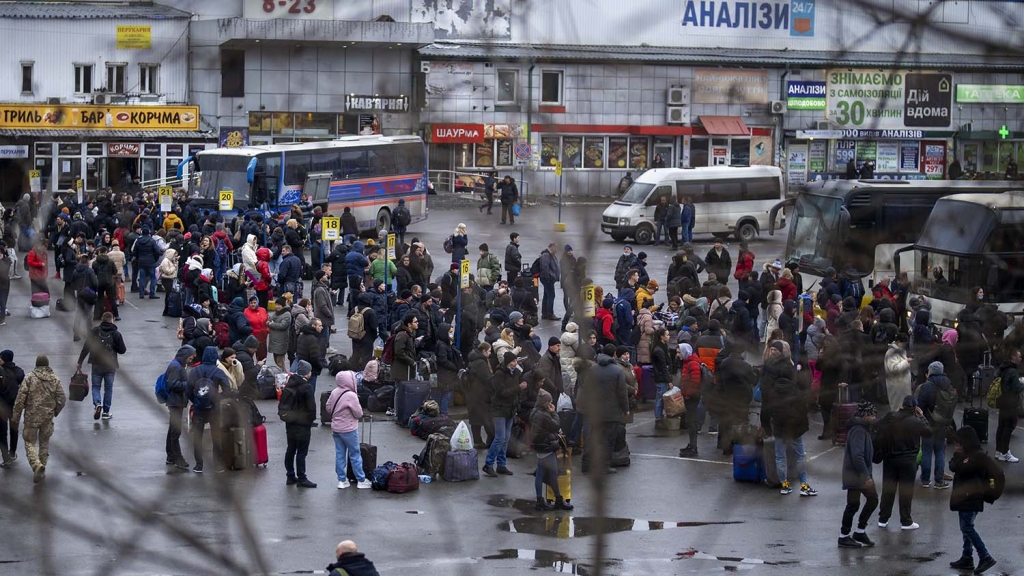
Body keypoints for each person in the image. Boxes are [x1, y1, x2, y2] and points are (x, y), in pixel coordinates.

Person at [766, 342, 818, 497]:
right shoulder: (796, 392)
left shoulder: (773, 391)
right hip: (795, 427)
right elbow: (803, 409)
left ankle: (785, 485)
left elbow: (769, 409)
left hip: (780, 426)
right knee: (799, 455)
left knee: (780, 455)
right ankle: (803, 485)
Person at [947, 426, 998, 574]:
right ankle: (967, 557)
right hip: (964, 498)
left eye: (959, 443)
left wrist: (959, 457)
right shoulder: (965, 455)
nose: (956, 446)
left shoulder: (977, 456)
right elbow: (952, 466)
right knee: (965, 528)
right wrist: (959, 457)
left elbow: (961, 469)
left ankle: (985, 556)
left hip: (971, 498)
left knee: (967, 527)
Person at [876, 395, 929, 531]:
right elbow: (928, 432)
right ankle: (906, 521)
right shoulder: (916, 422)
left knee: (888, 489)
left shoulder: (890, 417)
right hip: (908, 460)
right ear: (914, 408)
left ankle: (883, 519)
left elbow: (878, 426)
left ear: (902, 405)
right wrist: (922, 416)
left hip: (890, 458)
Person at [10, 355, 65, 483]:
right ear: (47, 365)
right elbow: (62, 399)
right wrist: (54, 411)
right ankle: (42, 467)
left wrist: (15, 416)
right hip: (47, 418)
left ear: (37, 364)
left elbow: (20, 399)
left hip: (31, 417)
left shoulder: (29, 378)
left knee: (29, 442)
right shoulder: (55, 379)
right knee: (44, 443)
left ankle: (36, 465)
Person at [580, 344, 630, 475]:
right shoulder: (617, 371)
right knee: (608, 439)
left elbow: (586, 388)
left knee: (592, 436)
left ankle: (586, 463)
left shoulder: (593, 369)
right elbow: (622, 393)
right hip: (611, 411)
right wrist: (626, 409)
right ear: (614, 355)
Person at [838, 401, 879, 548]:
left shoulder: (864, 429)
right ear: (866, 415)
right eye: (873, 415)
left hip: (860, 475)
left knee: (872, 500)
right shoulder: (858, 430)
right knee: (853, 504)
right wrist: (866, 476)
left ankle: (860, 531)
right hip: (856, 476)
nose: (875, 417)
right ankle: (844, 536)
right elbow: (857, 455)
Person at [188, 346, 232, 474]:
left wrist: (196, 400)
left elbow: (188, 390)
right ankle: (217, 465)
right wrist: (217, 398)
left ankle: (198, 465)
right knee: (216, 437)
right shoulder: (218, 372)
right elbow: (227, 391)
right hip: (214, 409)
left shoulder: (195, 371)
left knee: (198, 436)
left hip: (198, 409)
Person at [77, 311, 127, 421]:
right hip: (110, 364)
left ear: (102, 319)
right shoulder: (116, 333)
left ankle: (97, 403)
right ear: (112, 319)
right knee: (108, 388)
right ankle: (106, 412)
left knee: (96, 386)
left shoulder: (94, 331)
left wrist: (80, 361)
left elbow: (86, 347)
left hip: (96, 363)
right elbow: (123, 350)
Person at [483, 352, 526, 478]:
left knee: (506, 438)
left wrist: (517, 404)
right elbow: (502, 392)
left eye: (515, 361)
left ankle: (501, 465)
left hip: (510, 410)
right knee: (500, 438)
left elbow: (517, 393)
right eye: (513, 361)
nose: (515, 363)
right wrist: (518, 388)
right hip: (499, 410)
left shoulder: (516, 373)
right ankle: (488, 464)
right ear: (507, 362)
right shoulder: (499, 374)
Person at [327, 370, 372, 490]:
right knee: (355, 454)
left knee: (340, 454)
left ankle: (342, 480)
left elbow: (328, 407)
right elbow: (358, 413)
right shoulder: (351, 395)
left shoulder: (335, 392)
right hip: (349, 429)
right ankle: (361, 480)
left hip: (336, 428)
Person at [531, 389, 573, 511]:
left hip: (539, 446)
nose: (551, 403)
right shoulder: (544, 415)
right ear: (545, 403)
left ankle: (540, 500)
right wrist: (554, 413)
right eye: (549, 401)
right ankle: (558, 500)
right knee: (553, 474)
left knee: (540, 473)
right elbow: (556, 425)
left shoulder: (534, 412)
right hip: (547, 447)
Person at [916, 361, 956, 489]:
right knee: (940, 452)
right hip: (942, 424)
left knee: (927, 451)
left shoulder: (927, 386)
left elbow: (920, 406)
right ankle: (939, 481)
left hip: (928, 423)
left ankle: (925, 480)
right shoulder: (948, 384)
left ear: (930, 371)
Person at [279, 359, 317, 488]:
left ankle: (290, 475)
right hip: (302, 424)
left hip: (290, 423)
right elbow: (311, 408)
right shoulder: (307, 387)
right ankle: (302, 478)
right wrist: (310, 420)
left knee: (291, 449)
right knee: (301, 452)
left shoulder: (290, 384)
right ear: (307, 373)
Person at [164, 345, 195, 471]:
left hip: (177, 402)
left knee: (173, 429)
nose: (192, 358)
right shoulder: (175, 366)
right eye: (190, 356)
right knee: (176, 431)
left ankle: (171, 456)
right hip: (175, 402)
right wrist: (187, 384)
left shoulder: (177, 365)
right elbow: (172, 384)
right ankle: (178, 458)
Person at [993, 348, 1023, 462]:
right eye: (1019, 356)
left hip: (1001, 401)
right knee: (1009, 427)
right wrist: (1022, 383)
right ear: (1013, 357)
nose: (1020, 359)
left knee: (1001, 426)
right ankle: (1005, 452)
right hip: (1010, 403)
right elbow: (1017, 387)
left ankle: (998, 451)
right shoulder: (1013, 371)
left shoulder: (1003, 368)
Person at [467, 341, 494, 448]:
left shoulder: (475, 360)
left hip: (473, 394)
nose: (490, 353)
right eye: (489, 351)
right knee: (486, 418)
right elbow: (487, 378)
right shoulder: (481, 363)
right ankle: (490, 439)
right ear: (484, 351)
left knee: (475, 419)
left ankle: (478, 441)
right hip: (480, 395)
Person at [433, 322, 462, 416]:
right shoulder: (442, 345)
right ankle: (443, 414)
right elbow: (443, 360)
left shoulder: (447, 343)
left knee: (446, 394)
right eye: (450, 332)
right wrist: (454, 367)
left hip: (448, 374)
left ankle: (443, 414)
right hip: (446, 374)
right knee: (446, 394)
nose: (451, 334)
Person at [885, 334, 912, 411]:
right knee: (897, 407)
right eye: (903, 343)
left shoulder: (900, 351)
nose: (904, 345)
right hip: (896, 384)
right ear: (898, 341)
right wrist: (906, 361)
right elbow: (893, 368)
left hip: (902, 383)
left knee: (903, 405)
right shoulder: (891, 353)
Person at [392, 313, 419, 382]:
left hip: (407, 368)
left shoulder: (410, 334)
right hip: (402, 369)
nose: (417, 323)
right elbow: (398, 352)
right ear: (409, 324)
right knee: (400, 389)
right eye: (415, 322)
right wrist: (411, 361)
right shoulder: (402, 335)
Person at [538, 243, 560, 320]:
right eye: (555, 248)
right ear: (551, 247)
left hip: (549, 279)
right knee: (551, 295)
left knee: (546, 295)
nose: (556, 250)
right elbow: (545, 267)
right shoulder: (546, 255)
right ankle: (550, 313)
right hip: (548, 279)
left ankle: (545, 313)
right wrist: (548, 278)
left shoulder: (550, 255)